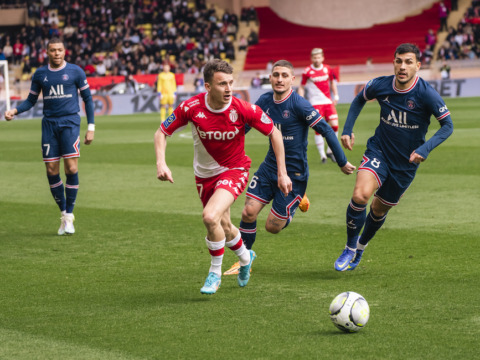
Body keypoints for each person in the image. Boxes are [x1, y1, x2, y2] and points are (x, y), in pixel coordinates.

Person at [154, 59, 292, 295]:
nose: (229, 89)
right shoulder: (191, 107)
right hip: (204, 176)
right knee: (225, 226)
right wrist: (161, 163)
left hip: (234, 170)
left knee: (209, 217)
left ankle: (214, 274)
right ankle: (246, 258)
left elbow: (274, 133)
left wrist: (282, 172)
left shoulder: (242, 109)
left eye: (230, 83)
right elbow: (161, 132)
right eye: (222, 84)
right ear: (208, 87)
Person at [223, 60, 356, 276]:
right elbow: (246, 124)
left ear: (292, 80)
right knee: (248, 212)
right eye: (276, 75)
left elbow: (327, 130)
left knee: (272, 227)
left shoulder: (300, 105)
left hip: (294, 174)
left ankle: (299, 199)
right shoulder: (265, 100)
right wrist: (227, 141)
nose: (279, 79)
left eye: (284, 75)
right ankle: (244, 258)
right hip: (269, 167)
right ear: (271, 78)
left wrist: (341, 162)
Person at [334, 43, 453, 271]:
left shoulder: (426, 93)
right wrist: (347, 129)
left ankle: (360, 246)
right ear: (394, 63)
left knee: (378, 210)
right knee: (360, 196)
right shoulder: (381, 84)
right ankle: (349, 247)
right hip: (379, 150)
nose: (402, 66)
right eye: (399, 61)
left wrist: (424, 149)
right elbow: (359, 99)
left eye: (408, 62)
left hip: (405, 164)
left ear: (417, 66)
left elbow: (447, 125)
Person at [4, 38, 95, 235]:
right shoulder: (40, 74)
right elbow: (30, 100)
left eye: (59, 50)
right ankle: (63, 214)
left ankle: (70, 216)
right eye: (53, 50)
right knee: (52, 170)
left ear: (65, 51)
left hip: (70, 122)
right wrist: (15, 110)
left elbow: (88, 99)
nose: (56, 53)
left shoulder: (76, 71)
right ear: (47, 52)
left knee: (71, 167)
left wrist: (91, 127)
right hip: (49, 125)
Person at [298, 48, 340, 164]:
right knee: (318, 129)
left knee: (335, 126)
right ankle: (323, 156)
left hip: (327, 102)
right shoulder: (307, 71)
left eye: (318, 57)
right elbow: (301, 86)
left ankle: (330, 150)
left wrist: (336, 96)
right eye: (314, 57)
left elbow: (332, 83)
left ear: (322, 57)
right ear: (311, 58)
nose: (317, 59)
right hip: (315, 103)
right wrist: (301, 100)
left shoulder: (327, 69)